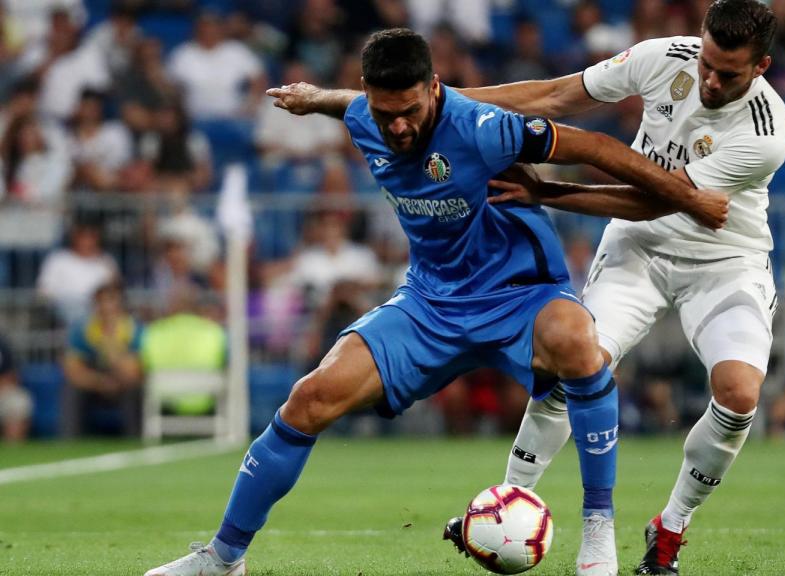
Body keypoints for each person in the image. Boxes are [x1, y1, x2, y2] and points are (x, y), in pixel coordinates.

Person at [144, 28, 728, 576]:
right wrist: (314, 97)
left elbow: (595, 146)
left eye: (410, 112)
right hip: (429, 303)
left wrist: (687, 197)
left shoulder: (484, 128)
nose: (397, 128)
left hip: (520, 296)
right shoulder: (363, 115)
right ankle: (222, 560)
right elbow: (348, 103)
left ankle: (598, 525)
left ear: (435, 90)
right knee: (310, 397)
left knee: (580, 344)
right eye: (384, 113)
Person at [450, 0, 785, 573]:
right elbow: (557, 95)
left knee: (739, 396)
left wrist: (548, 192)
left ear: (761, 66)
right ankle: (505, 500)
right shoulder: (663, 58)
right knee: (575, 365)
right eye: (707, 61)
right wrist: (449, 106)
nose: (709, 79)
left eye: (727, 73)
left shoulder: (766, 132)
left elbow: (654, 200)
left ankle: (670, 530)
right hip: (640, 250)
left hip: (725, 258)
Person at [61, 280, 144, 436]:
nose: (106, 308)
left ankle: (134, 438)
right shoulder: (82, 330)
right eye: (101, 302)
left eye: (111, 302)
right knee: (71, 389)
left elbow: (132, 374)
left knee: (135, 390)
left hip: (123, 385)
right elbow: (72, 371)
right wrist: (100, 383)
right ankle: (69, 441)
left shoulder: (134, 330)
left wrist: (111, 343)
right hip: (95, 384)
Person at [0, 332, 32, 442]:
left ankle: (13, 446)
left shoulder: (2, 343)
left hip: (3, 391)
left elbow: (12, 375)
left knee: (18, 401)